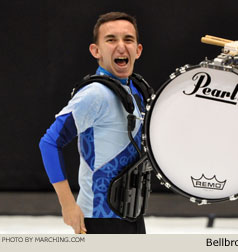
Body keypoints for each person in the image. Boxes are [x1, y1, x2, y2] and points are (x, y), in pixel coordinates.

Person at [39, 11, 150, 234]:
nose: (121, 46)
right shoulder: (94, 94)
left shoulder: (137, 90)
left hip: (133, 213)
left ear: (138, 50)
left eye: (128, 39)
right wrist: (68, 205)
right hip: (100, 217)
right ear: (95, 51)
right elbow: (49, 143)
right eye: (111, 39)